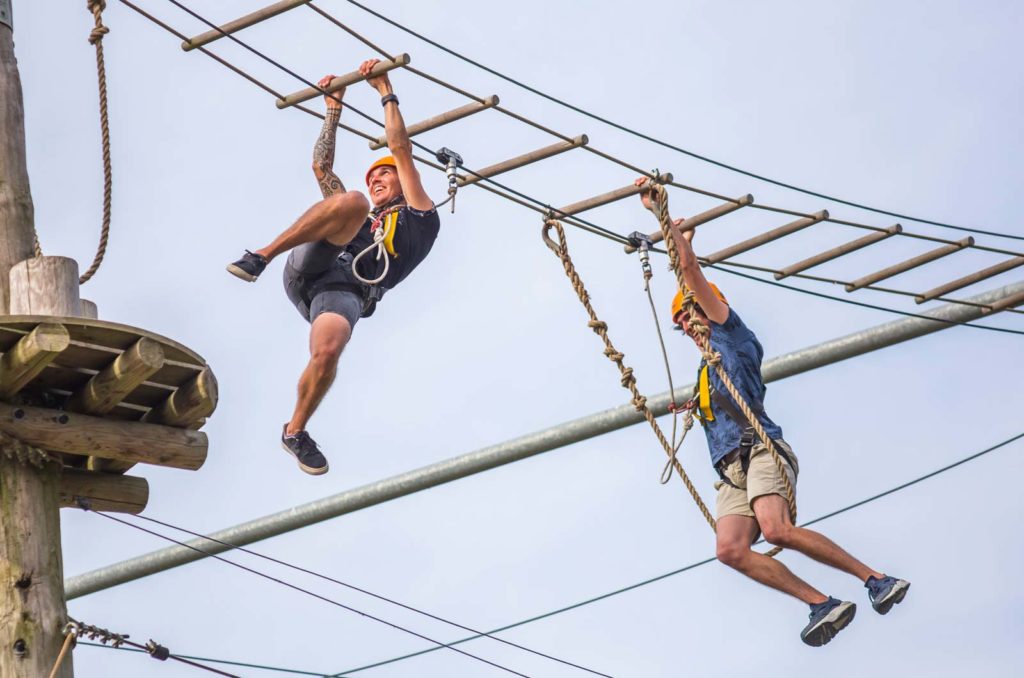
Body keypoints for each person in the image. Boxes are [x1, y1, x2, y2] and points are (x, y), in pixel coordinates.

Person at [637, 180, 909, 646]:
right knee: (730, 550)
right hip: (731, 469)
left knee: (777, 529)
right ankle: (821, 604)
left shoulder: (731, 334)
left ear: (708, 306)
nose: (686, 325)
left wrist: (665, 222)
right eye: (680, 322)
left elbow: (689, 272)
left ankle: (876, 578)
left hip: (761, 451)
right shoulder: (707, 369)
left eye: (688, 314)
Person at [226, 59, 440, 476]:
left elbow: (400, 149)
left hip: (346, 290)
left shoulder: (420, 216)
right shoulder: (360, 213)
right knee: (351, 201)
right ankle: (261, 257)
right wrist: (332, 108)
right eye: (374, 175)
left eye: (386, 175)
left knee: (327, 352)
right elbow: (321, 168)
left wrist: (385, 91)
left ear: (404, 181)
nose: (377, 179)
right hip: (317, 262)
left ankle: (295, 431)